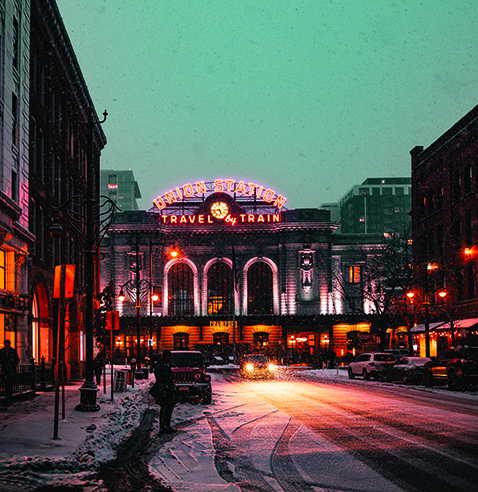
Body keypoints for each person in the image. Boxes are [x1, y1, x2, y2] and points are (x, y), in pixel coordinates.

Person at [153, 350, 177, 434]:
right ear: (164, 356)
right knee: (164, 409)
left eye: (170, 356)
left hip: (169, 390)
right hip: (164, 391)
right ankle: (163, 427)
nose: (169, 357)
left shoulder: (167, 365)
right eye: (168, 356)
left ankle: (167, 426)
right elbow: (159, 380)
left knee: (169, 409)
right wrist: (163, 392)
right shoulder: (160, 366)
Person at [0, 340, 20, 404]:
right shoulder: (1, 351)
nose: (6, 346)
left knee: (9, 385)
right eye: (5, 345)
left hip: (10, 371)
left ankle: (9, 398)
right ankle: (7, 397)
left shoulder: (13, 351)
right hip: (4, 370)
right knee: (5, 384)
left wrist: (13, 365)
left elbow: (17, 359)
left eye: (7, 345)